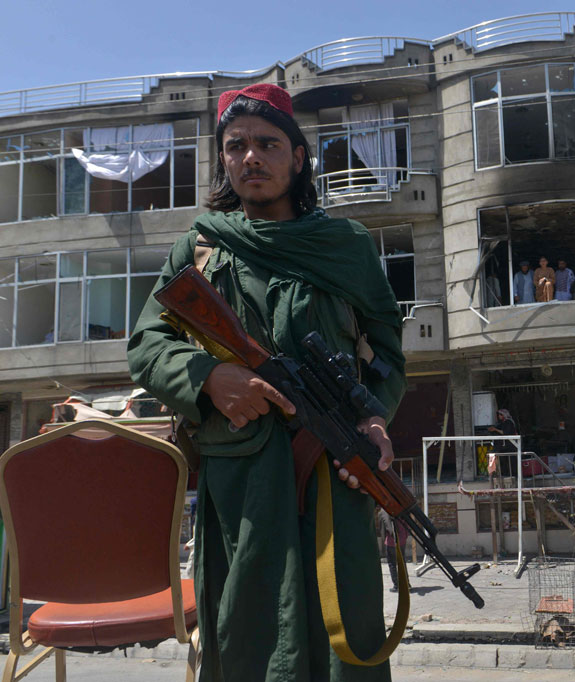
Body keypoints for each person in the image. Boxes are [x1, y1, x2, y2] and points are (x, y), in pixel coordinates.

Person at [127, 83, 406, 682]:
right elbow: (148, 344)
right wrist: (210, 378)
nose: (251, 157)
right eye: (236, 146)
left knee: (346, 636)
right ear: (224, 160)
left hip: (336, 473)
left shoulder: (347, 247)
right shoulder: (201, 248)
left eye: (268, 144)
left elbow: (386, 354)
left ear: (298, 157)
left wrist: (375, 416)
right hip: (242, 484)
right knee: (248, 637)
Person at [377, 506, 409, 592]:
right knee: (402, 562)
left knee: (392, 563)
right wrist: (405, 536)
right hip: (402, 539)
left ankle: (397, 586)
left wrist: (385, 539)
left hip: (391, 541)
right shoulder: (399, 508)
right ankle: (407, 584)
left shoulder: (383, 512)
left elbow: (383, 528)